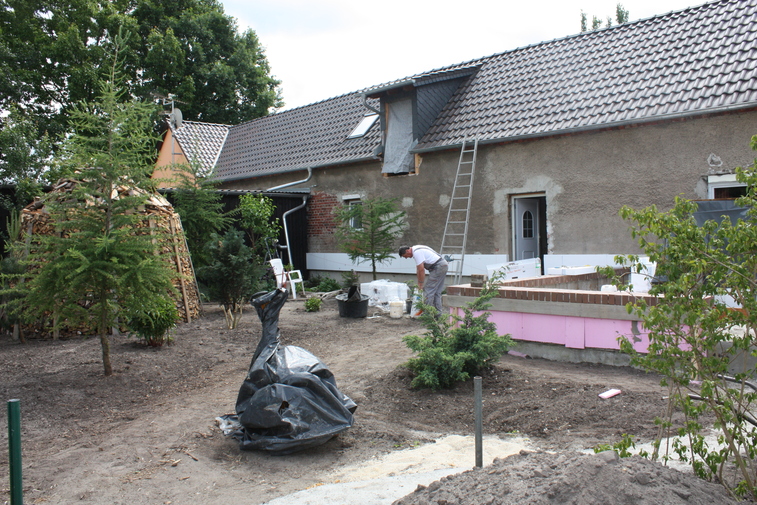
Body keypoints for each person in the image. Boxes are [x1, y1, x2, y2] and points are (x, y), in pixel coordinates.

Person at [399, 245, 448, 315]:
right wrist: (419, 283)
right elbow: (418, 269)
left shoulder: (416, 252)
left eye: (405, 256)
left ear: (407, 251)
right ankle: (438, 315)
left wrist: (421, 284)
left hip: (438, 267)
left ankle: (428, 314)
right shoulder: (417, 248)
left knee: (429, 290)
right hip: (443, 265)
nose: (406, 258)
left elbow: (421, 270)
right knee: (437, 292)